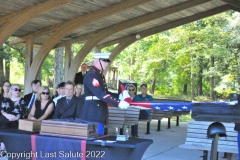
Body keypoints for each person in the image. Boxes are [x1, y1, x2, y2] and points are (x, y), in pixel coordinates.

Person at [80, 52, 130, 128]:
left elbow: (105, 92)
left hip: (98, 112)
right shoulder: (91, 75)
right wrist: (118, 102)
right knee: (94, 137)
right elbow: (100, 93)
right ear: (97, 61)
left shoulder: (99, 75)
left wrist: (119, 96)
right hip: (92, 113)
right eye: (104, 61)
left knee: (99, 136)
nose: (107, 64)